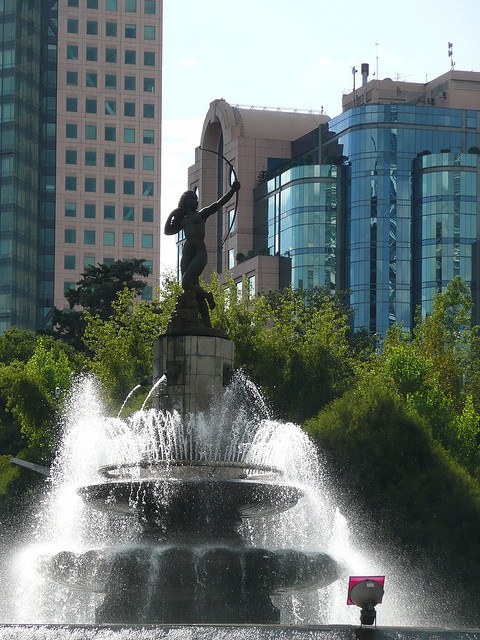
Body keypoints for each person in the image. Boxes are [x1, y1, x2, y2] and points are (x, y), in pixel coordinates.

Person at [165, 180, 240, 327]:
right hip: (187, 254)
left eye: (196, 199)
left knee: (187, 283)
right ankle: (207, 324)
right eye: (193, 199)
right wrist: (173, 214)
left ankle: (208, 296)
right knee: (193, 290)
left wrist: (232, 190)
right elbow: (167, 231)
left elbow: (218, 204)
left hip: (199, 251)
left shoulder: (201, 214)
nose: (196, 201)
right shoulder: (183, 220)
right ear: (187, 201)